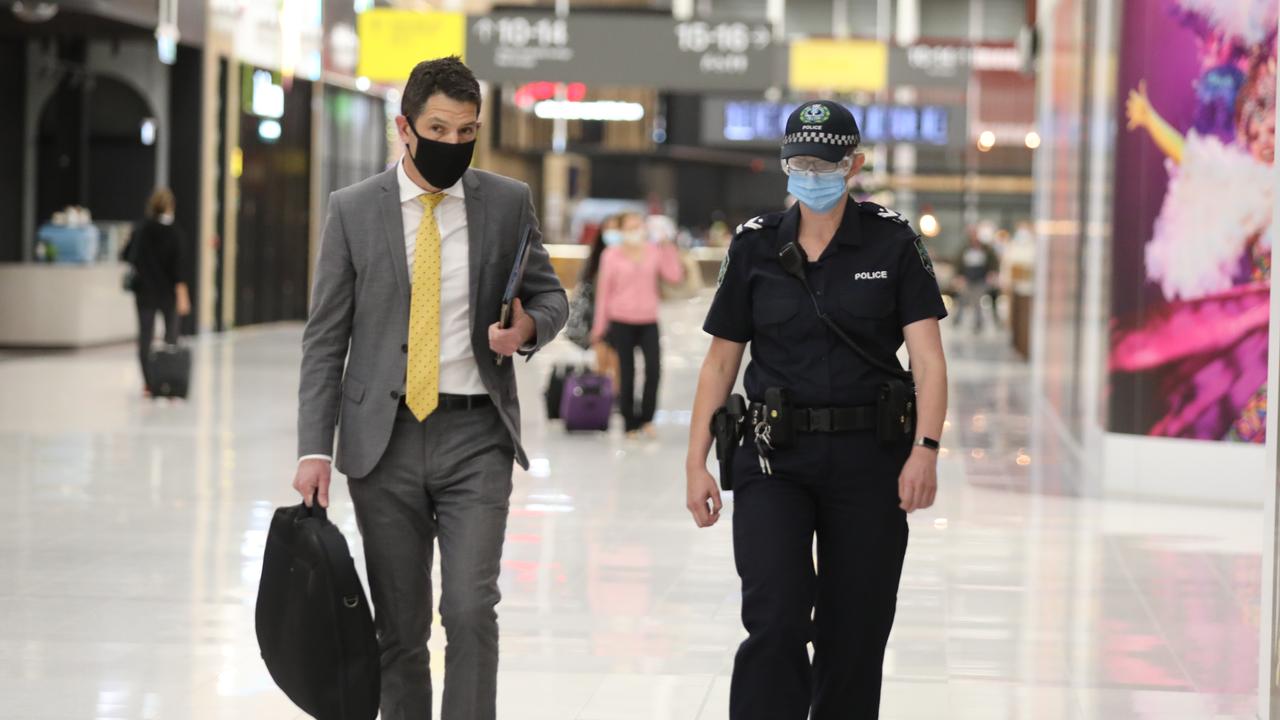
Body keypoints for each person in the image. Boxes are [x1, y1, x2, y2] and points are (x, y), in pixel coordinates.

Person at [292, 56, 568, 720]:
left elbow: (552, 298)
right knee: (401, 629)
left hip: (477, 435)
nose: (451, 144)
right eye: (437, 129)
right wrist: (313, 449)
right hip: (381, 445)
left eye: (465, 131)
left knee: (471, 608)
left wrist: (526, 328)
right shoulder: (353, 211)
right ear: (405, 128)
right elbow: (326, 338)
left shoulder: (506, 203)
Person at [684, 100, 949, 719]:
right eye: (799, 161)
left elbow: (929, 361)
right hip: (775, 458)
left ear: (852, 164)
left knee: (853, 633)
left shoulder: (893, 240)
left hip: (870, 459)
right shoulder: (754, 247)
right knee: (774, 620)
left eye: (825, 162)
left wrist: (926, 451)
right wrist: (695, 462)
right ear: (783, 165)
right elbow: (721, 362)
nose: (812, 173)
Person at [591, 210, 684, 438]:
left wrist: (667, 246)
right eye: (630, 227)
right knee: (626, 371)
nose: (635, 231)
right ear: (621, 231)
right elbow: (604, 293)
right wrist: (599, 327)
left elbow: (674, 276)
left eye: (638, 226)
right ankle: (629, 423)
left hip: (648, 320)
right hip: (620, 320)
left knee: (654, 369)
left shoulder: (654, 251)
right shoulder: (611, 255)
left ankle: (647, 418)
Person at [121, 188, 190, 396]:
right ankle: (169, 379)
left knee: (145, 337)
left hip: (145, 293)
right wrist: (182, 295)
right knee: (171, 339)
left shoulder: (140, 230)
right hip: (168, 294)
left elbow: (127, 255)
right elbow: (178, 270)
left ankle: (149, 383)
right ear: (170, 207)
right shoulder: (175, 233)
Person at [953, 228, 998, 332]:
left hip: (980, 279)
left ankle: (978, 323)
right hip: (968, 278)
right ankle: (957, 320)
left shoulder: (986, 249)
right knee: (962, 298)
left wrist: (992, 274)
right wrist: (959, 276)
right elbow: (958, 263)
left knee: (977, 301)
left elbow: (993, 263)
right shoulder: (965, 249)